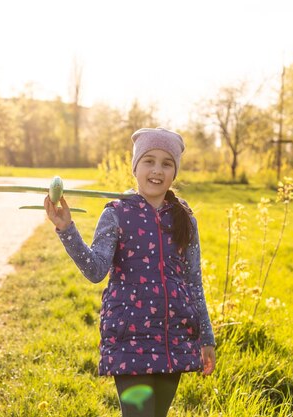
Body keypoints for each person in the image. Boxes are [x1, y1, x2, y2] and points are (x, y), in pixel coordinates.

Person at [45, 127, 216, 417]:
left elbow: (193, 281)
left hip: (173, 338)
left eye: (166, 163)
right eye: (149, 161)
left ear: (175, 171)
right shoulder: (117, 212)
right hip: (130, 339)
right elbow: (96, 269)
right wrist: (66, 230)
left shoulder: (183, 217)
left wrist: (206, 338)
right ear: (135, 166)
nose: (157, 170)